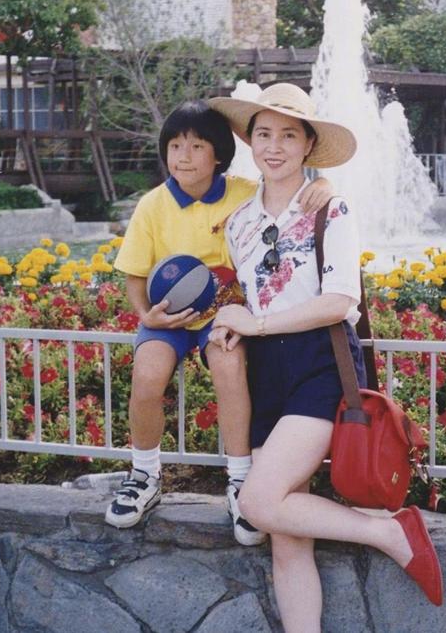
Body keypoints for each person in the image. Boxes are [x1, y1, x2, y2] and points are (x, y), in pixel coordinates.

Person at [208, 83, 443, 630]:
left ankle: (389, 531)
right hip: (264, 372)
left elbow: (340, 301)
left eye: (289, 135)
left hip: (319, 364)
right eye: (264, 134)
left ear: (308, 145)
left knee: (259, 503)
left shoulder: (330, 208)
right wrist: (231, 320)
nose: (274, 147)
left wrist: (256, 323)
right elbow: (251, 296)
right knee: (287, 540)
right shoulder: (239, 222)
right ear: (249, 141)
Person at [104, 99, 335, 546]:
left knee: (229, 369)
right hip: (168, 315)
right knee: (147, 375)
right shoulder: (152, 205)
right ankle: (144, 474)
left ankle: (240, 479)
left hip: (225, 316)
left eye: (196, 146)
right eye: (175, 146)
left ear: (219, 155)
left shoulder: (244, 192)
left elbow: (289, 188)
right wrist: (146, 315)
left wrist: (322, 182)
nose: (184, 156)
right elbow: (134, 274)